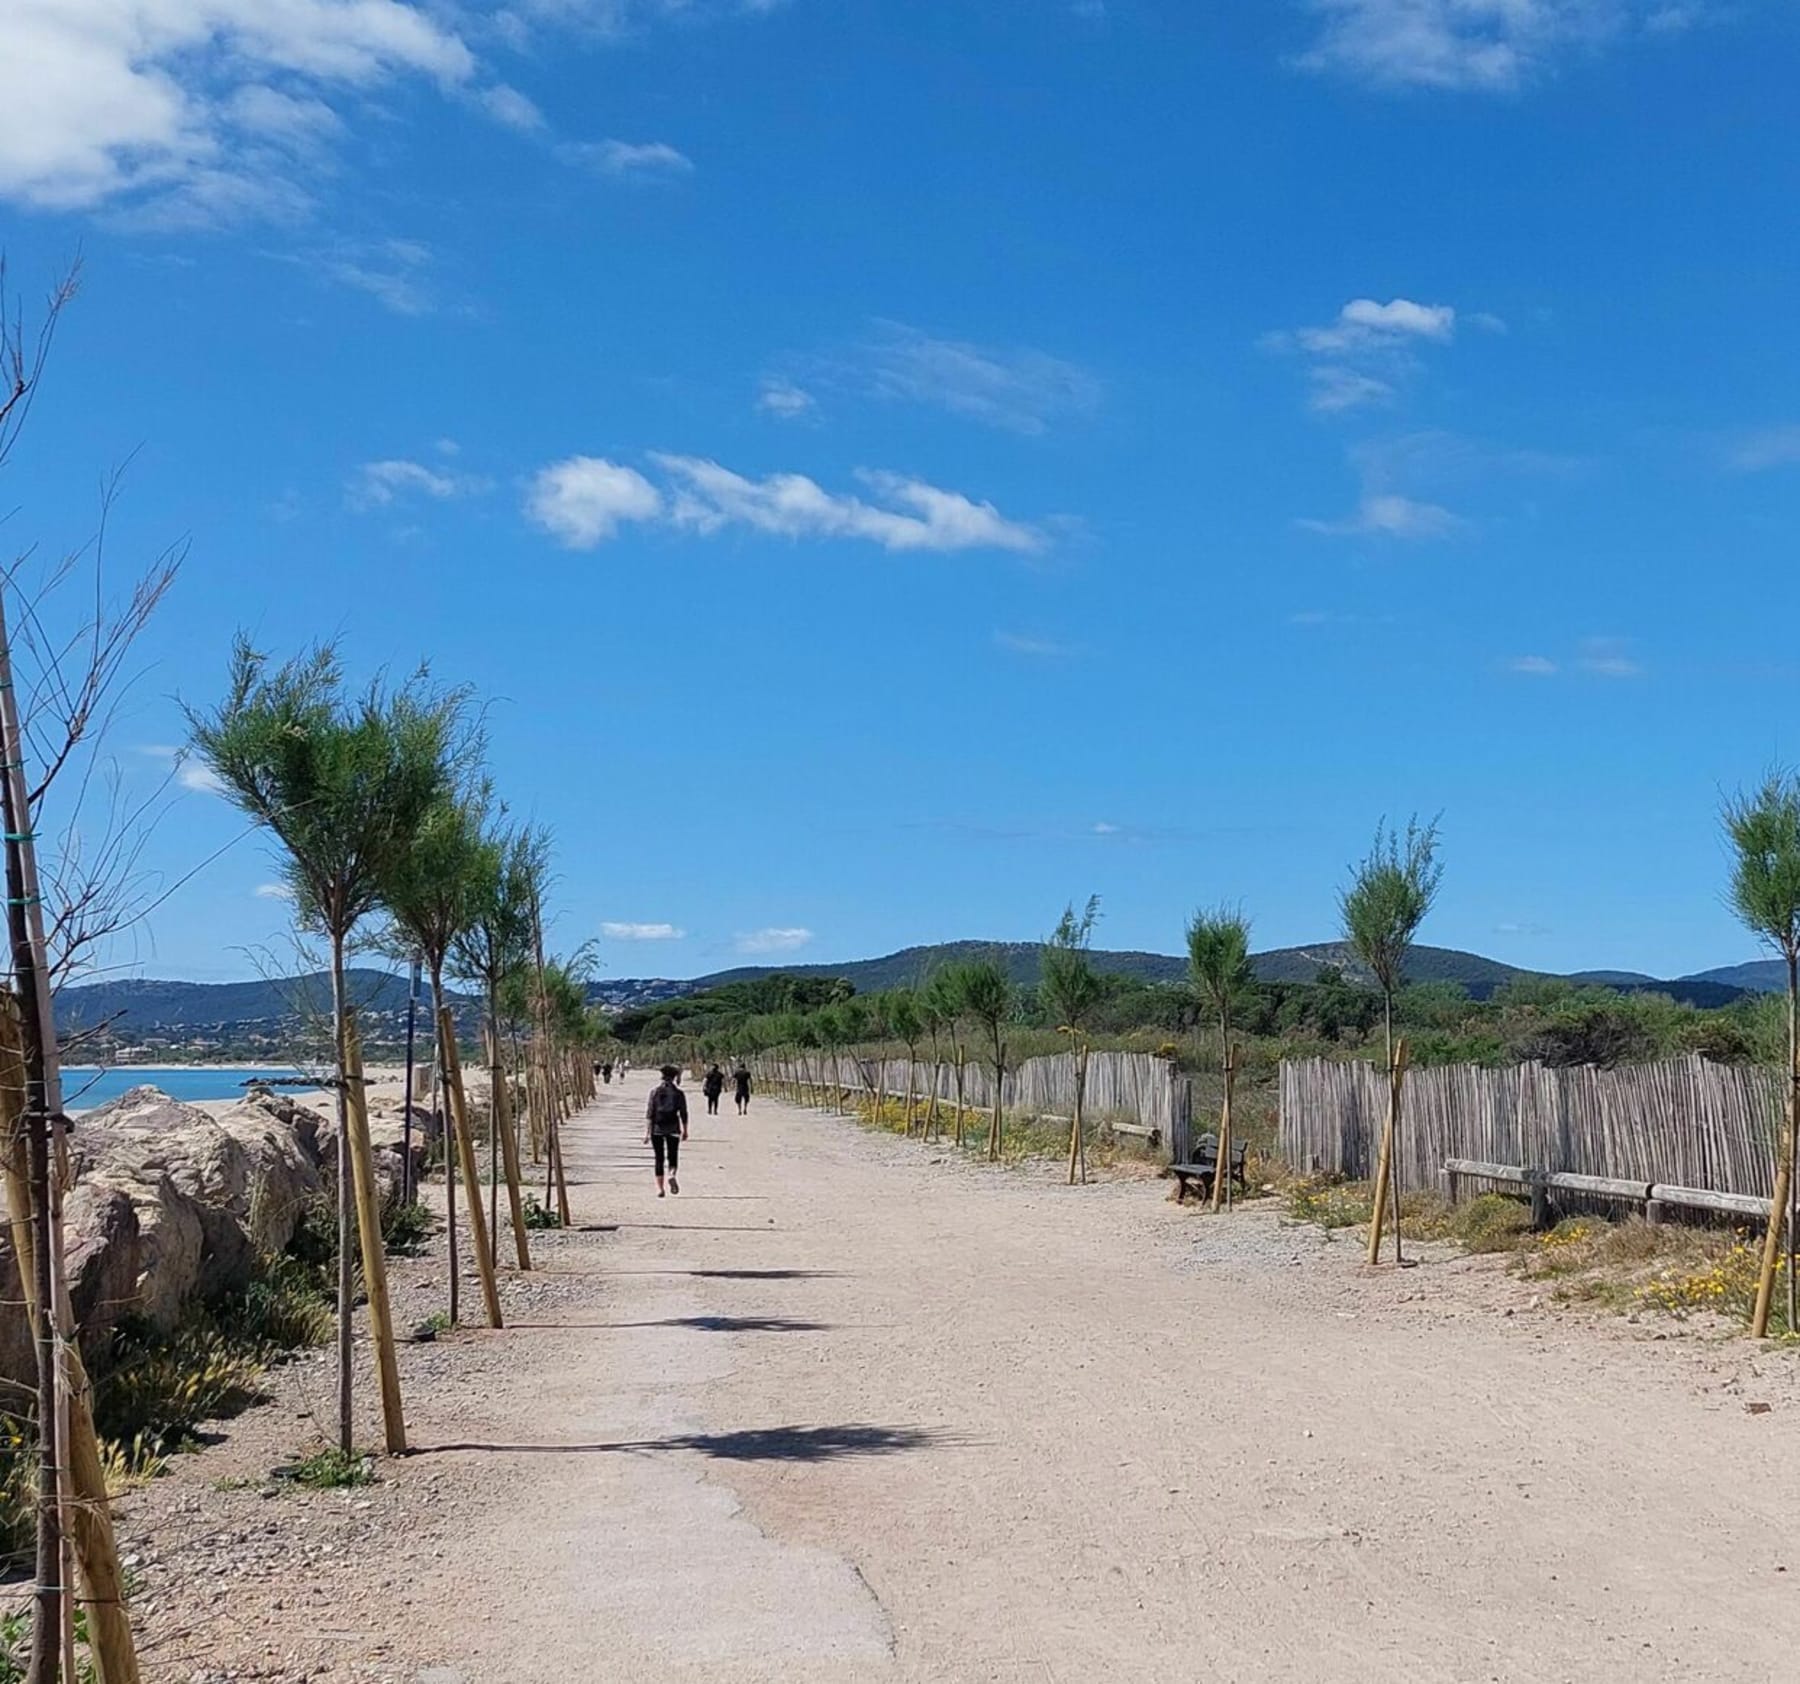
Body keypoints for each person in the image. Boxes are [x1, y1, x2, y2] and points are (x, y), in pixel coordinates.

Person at [644, 1063, 688, 1196]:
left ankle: (659, 1188)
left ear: (662, 1076)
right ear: (674, 1078)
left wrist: (647, 1133)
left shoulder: (654, 1092)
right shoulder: (679, 1093)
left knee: (659, 1158)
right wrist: (685, 1130)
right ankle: (672, 1174)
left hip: (657, 1128)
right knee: (672, 1155)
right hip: (673, 1127)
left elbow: (650, 1113)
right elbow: (684, 1113)